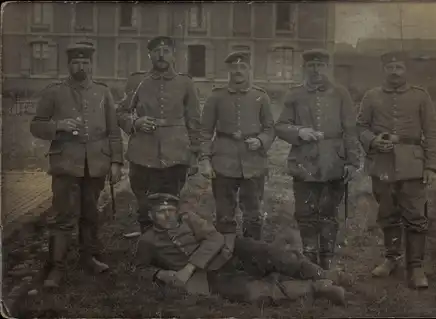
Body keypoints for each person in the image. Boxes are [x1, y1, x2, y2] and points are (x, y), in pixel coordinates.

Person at [134, 193, 346, 306]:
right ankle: (318, 289)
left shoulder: (189, 219)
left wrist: (189, 267)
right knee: (253, 292)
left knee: (273, 254)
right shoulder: (148, 241)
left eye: (171, 210)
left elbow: (215, 237)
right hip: (209, 276)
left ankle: (320, 273)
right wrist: (160, 273)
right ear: (151, 216)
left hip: (231, 249)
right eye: (161, 212)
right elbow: (139, 269)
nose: (169, 216)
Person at [30, 42, 124, 288]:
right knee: (63, 216)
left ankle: (88, 258)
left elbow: (113, 131)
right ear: (69, 65)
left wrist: (116, 162)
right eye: (75, 62)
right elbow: (36, 125)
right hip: (66, 163)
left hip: (96, 163)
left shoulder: (103, 92)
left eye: (85, 62)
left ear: (91, 65)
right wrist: (58, 126)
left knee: (90, 213)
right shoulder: (54, 92)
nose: (80, 66)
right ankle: (56, 267)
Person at [356, 51, 436, 289]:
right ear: (384, 70)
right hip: (382, 164)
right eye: (390, 67)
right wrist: (372, 140)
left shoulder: (420, 96)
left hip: (413, 164)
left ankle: (416, 267)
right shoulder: (371, 96)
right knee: (388, 213)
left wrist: (431, 165)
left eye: (399, 67)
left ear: (406, 71)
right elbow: (360, 126)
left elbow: (432, 131)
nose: (394, 71)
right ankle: (392, 259)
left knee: (415, 216)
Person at [275, 49, 359, 270]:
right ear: (305, 68)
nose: (316, 70)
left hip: (334, 161)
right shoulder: (294, 94)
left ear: (327, 68)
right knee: (305, 213)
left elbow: (350, 129)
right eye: (311, 66)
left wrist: (352, 161)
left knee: (329, 213)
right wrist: (299, 132)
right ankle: (310, 260)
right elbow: (281, 126)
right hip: (305, 161)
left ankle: (327, 260)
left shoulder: (341, 94)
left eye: (320, 66)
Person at [116, 36, 201, 234]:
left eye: (166, 52)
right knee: (145, 203)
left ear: (174, 56)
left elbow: (194, 120)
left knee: (171, 201)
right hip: (143, 152)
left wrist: (195, 153)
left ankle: (169, 244)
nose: (161, 56)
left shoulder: (185, 82)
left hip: (176, 152)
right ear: (150, 55)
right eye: (156, 52)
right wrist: (135, 122)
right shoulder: (138, 81)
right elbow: (121, 112)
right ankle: (147, 244)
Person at [198, 51, 275, 240]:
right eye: (234, 67)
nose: (238, 71)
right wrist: (205, 160)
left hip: (253, 161)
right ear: (229, 71)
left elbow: (270, 129)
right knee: (224, 212)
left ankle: (252, 254)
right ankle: (226, 251)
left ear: (249, 70)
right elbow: (205, 131)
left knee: (253, 213)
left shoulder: (261, 97)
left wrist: (260, 141)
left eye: (243, 67)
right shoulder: (216, 96)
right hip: (224, 160)